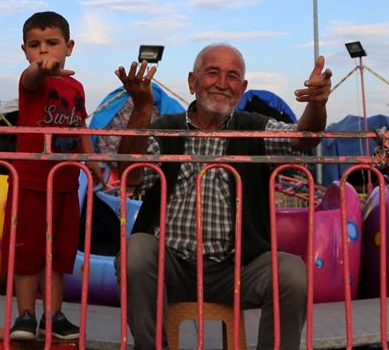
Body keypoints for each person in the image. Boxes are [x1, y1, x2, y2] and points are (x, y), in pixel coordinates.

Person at [114, 43, 332, 350]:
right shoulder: (166, 130)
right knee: (135, 251)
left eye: (232, 76)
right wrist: (142, 108)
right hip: (171, 264)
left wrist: (318, 105)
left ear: (241, 89)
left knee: (292, 273)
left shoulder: (254, 129)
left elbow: (303, 138)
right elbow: (129, 173)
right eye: (212, 72)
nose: (221, 83)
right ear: (192, 82)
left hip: (238, 269)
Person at [6, 11, 96, 341]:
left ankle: (53, 315)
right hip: (29, 181)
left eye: (52, 43)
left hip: (65, 181)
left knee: (58, 254)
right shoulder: (30, 81)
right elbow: (32, 77)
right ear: (25, 50)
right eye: (35, 45)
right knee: (27, 250)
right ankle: (26, 315)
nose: (43, 51)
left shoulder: (75, 86)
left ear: (69, 47)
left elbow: (80, 125)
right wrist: (39, 70)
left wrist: (93, 160)